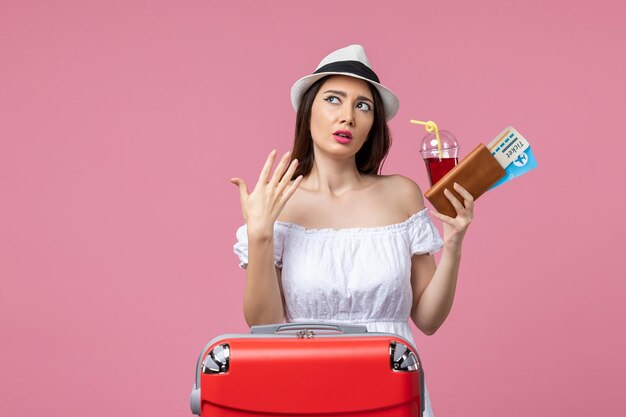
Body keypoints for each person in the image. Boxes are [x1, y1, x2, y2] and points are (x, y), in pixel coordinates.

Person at [230, 44, 474, 417]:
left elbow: (428, 320)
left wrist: (453, 245)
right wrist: (260, 234)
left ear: (373, 125)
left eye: (363, 106)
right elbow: (263, 323)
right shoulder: (280, 201)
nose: (347, 116)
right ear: (307, 110)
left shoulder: (401, 194)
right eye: (333, 99)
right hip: (306, 390)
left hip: (393, 389)